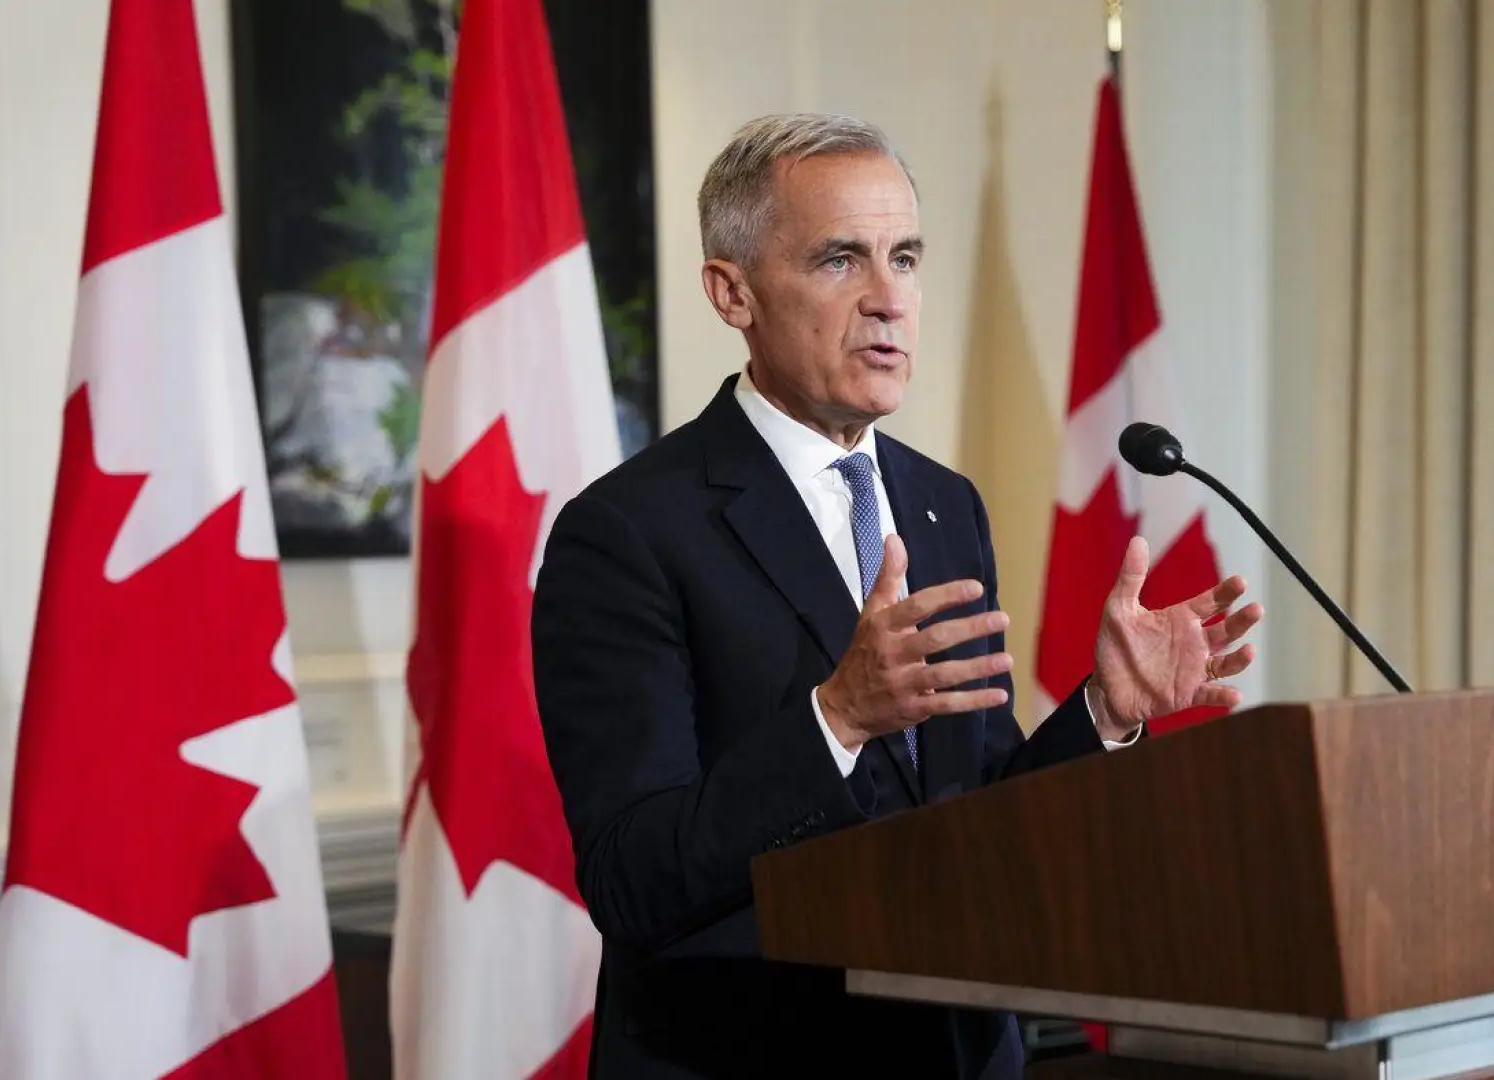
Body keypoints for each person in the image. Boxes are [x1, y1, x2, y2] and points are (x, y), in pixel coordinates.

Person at [530, 113, 1262, 1080]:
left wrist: (1103, 712)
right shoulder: (628, 533)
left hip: (954, 1051)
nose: (888, 300)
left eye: (905, 258)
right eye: (840, 260)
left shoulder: (941, 502)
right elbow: (633, 878)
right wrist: (835, 720)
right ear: (732, 292)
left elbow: (973, 815)